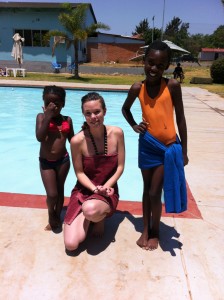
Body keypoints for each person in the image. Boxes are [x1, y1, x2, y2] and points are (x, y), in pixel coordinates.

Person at [122, 41, 188, 251]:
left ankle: (155, 231)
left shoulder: (172, 86)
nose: (154, 68)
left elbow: (181, 119)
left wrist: (184, 151)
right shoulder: (137, 88)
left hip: (167, 147)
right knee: (146, 190)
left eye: (160, 65)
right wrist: (134, 125)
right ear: (144, 61)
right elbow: (125, 109)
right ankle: (145, 229)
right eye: (151, 63)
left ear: (167, 66)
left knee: (154, 191)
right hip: (147, 145)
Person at [63, 92, 125, 251]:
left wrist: (106, 188)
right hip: (85, 189)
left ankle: (98, 219)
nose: (93, 117)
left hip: (108, 190)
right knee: (71, 245)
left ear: (105, 111)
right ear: (83, 115)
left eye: (97, 111)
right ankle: (89, 214)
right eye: (88, 113)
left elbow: (120, 167)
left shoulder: (117, 133)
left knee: (90, 209)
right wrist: (95, 189)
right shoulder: (77, 141)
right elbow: (79, 173)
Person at [36, 85, 74, 231]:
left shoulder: (67, 120)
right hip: (46, 162)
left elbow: (73, 140)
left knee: (59, 190)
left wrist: (87, 133)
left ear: (63, 104)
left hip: (63, 160)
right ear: (44, 103)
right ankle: (51, 214)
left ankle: (57, 217)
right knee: (52, 194)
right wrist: (48, 116)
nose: (52, 107)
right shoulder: (41, 117)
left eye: (56, 104)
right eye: (48, 104)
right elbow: (40, 137)